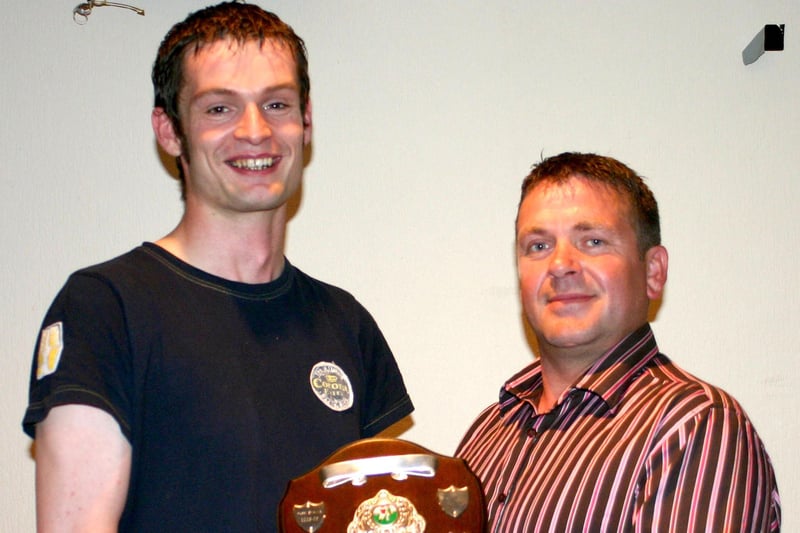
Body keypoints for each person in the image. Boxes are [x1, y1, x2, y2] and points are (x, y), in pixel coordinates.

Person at [22, 3, 413, 531]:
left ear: (307, 121)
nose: (255, 132)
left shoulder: (346, 325)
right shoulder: (107, 307)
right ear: (169, 131)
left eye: (276, 104)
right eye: (219, 109)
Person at [456, 152, 780, 532]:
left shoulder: (693, 427)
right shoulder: (487, 432)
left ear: (653, 271)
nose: (560, 265)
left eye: (592, 241)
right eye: (539, 246)